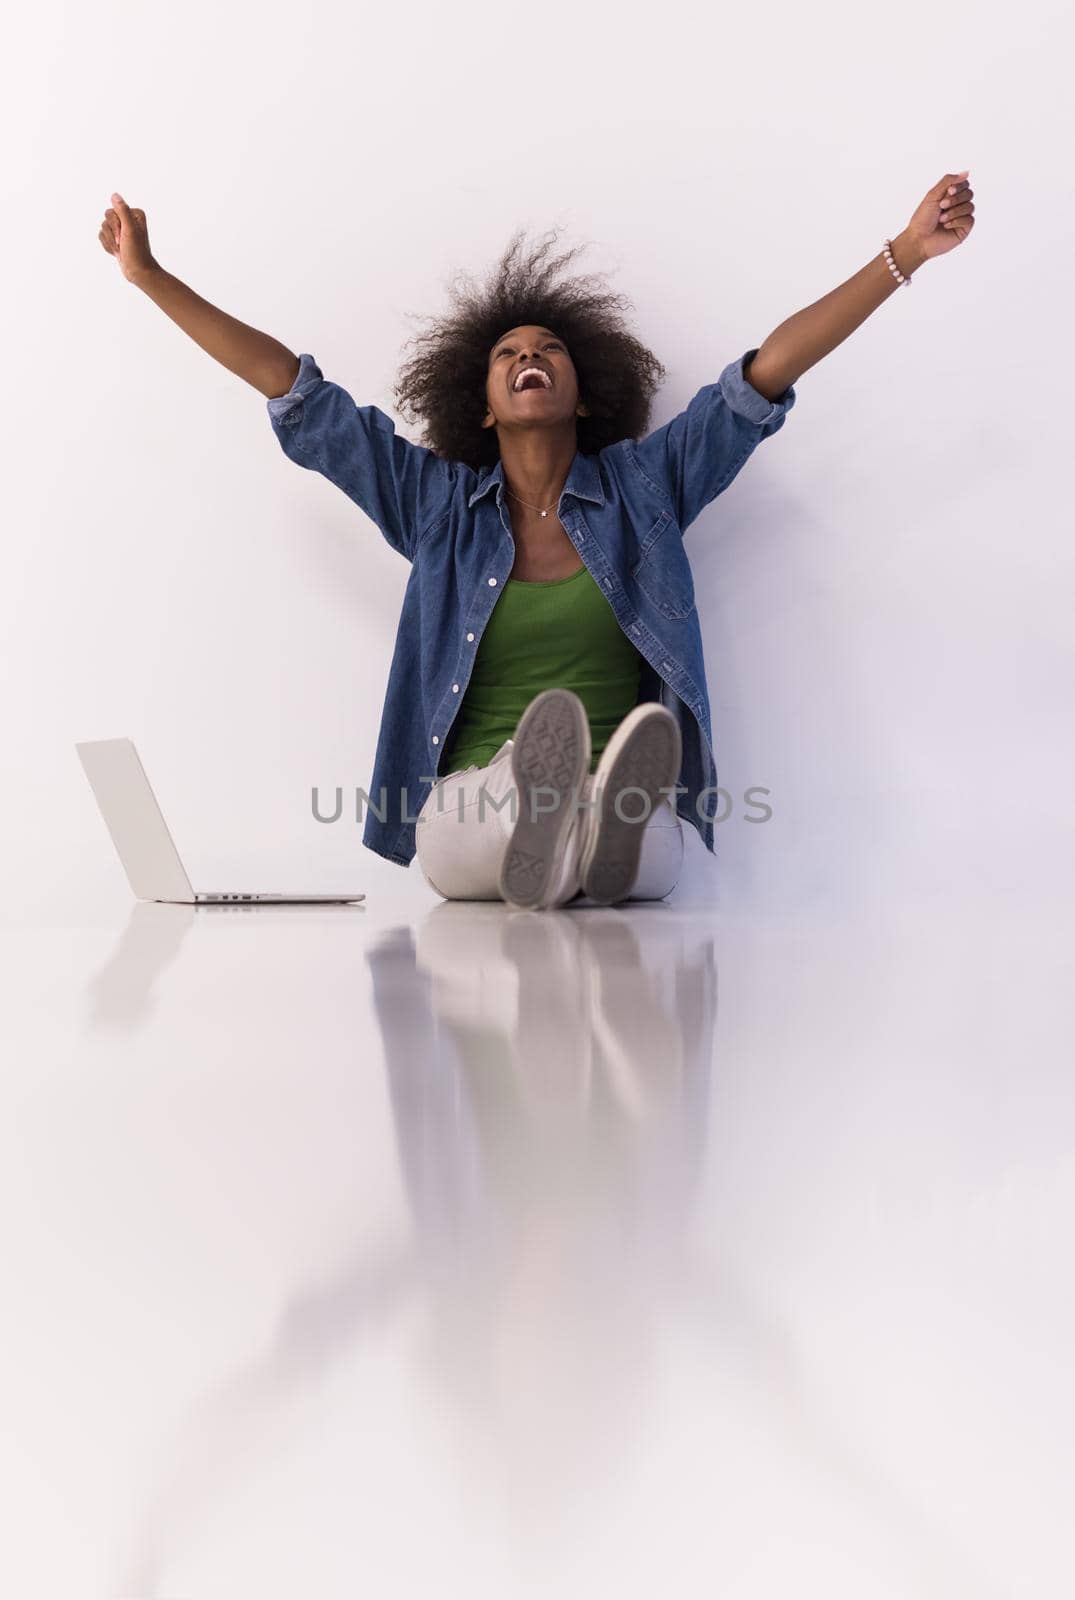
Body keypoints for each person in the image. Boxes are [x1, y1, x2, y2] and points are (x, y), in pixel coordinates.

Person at [99, 181, 975, 909]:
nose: (530, 356)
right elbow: (296, 392)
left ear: (582, 392)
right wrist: (151, 276)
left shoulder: (648, 487)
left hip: (618, 797)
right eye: (509, 353)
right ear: (481, 403)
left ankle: (588, 824)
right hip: (475, 800)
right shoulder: (436, 505)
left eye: (549, 349)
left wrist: (902, 253)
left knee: (648, 846)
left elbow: (765, 374)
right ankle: (544, 811)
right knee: (475, 824)